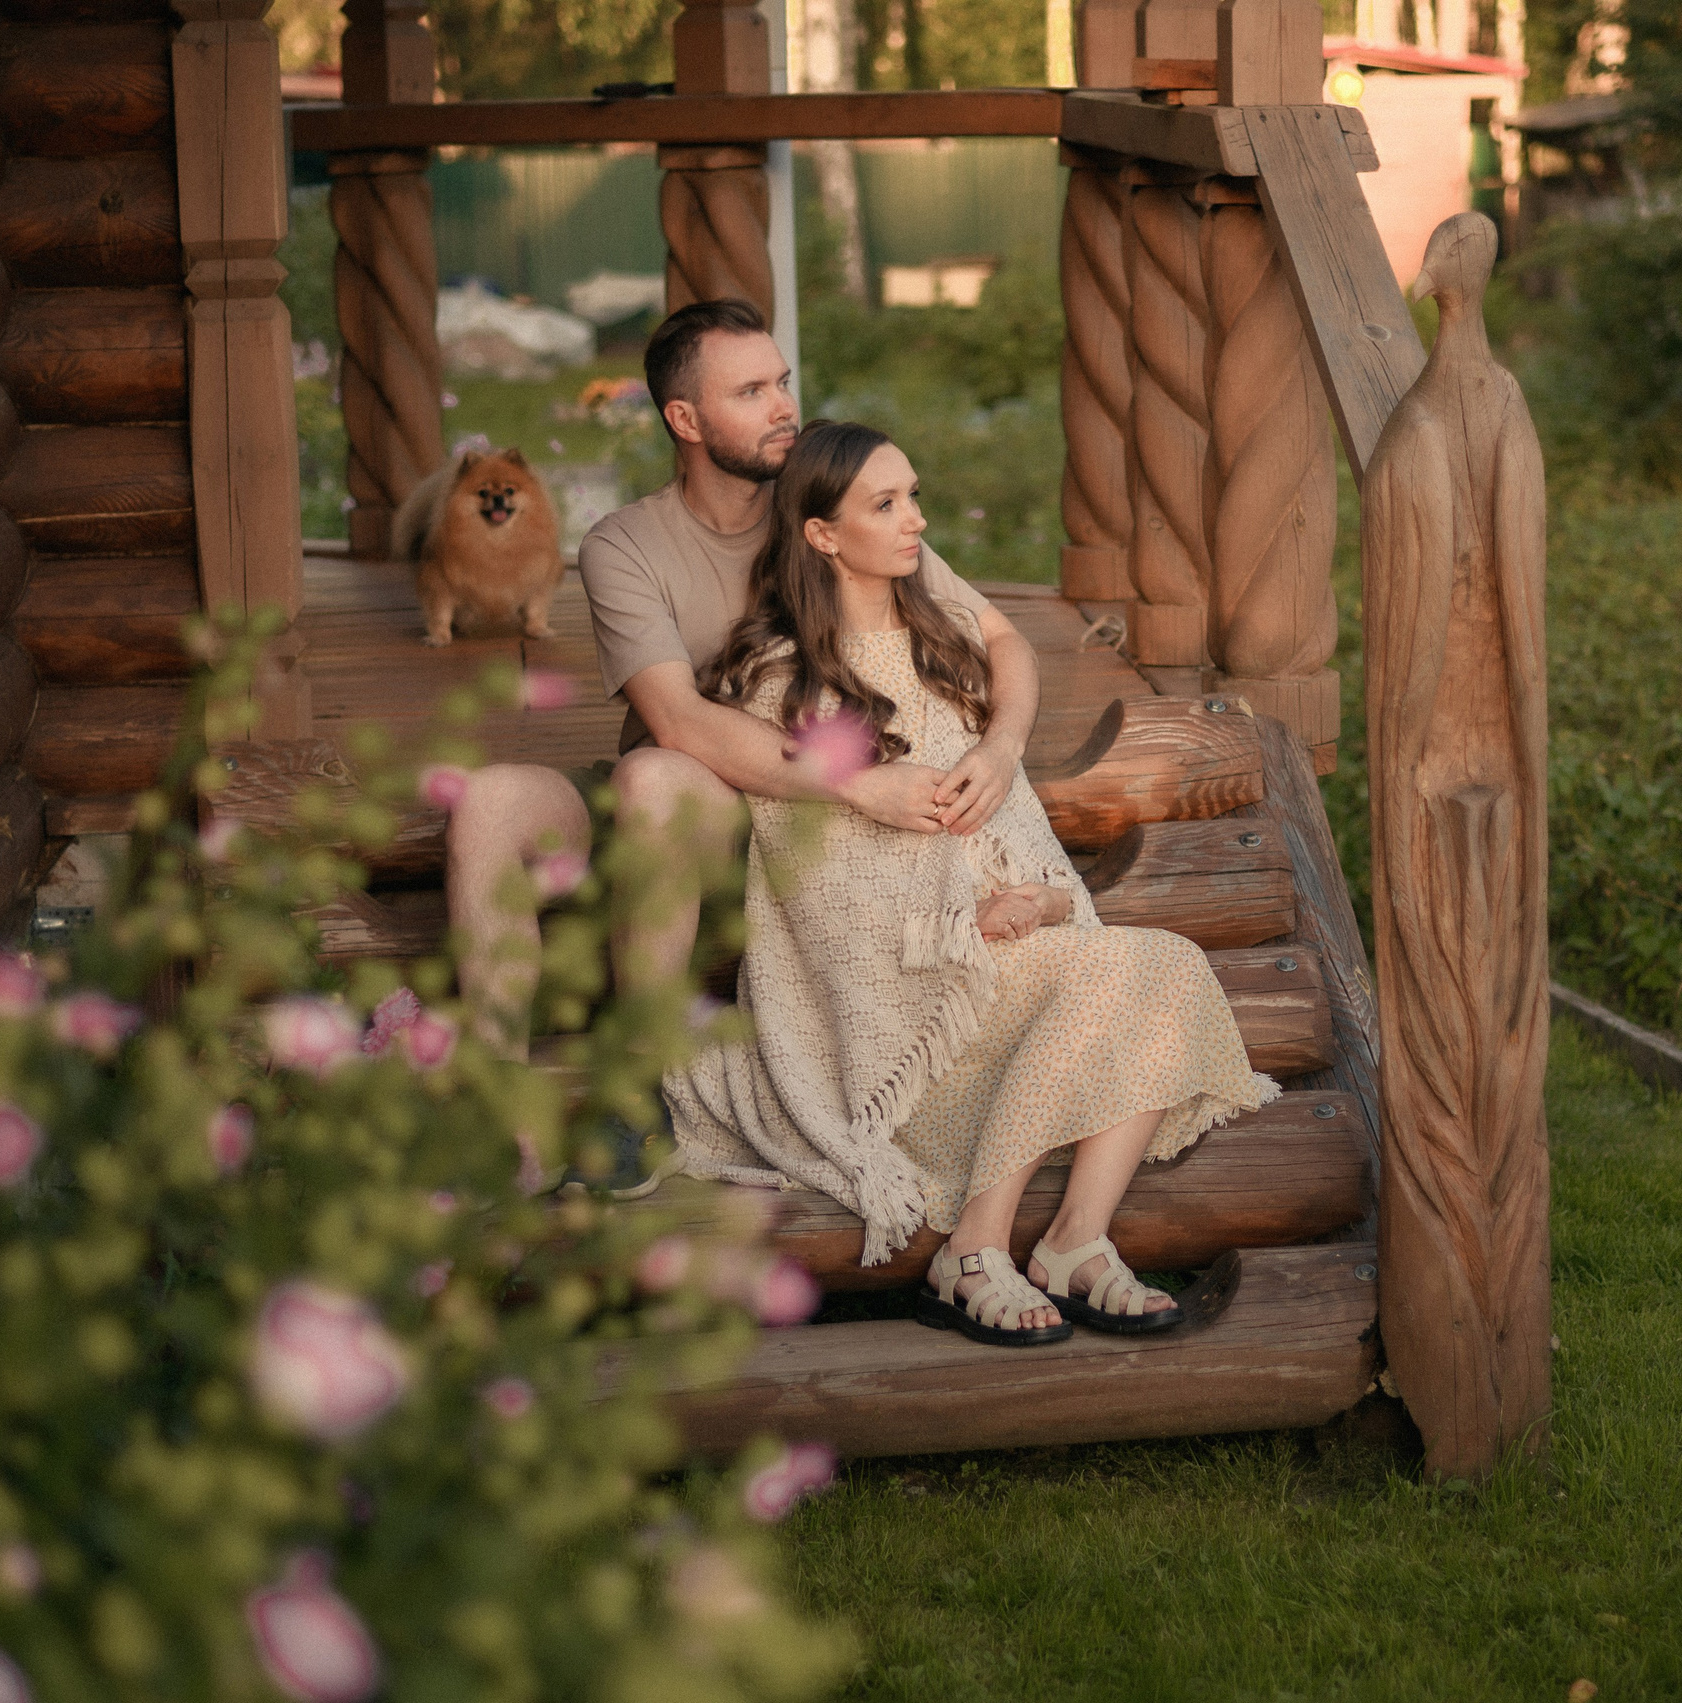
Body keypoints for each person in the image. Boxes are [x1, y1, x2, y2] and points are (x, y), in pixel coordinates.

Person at [663, 421, 1277, 1345]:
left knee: (1167, 962)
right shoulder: (782, 688)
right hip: (894, 1028)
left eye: (914, 495)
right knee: (1123, 973)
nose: (916, 520)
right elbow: (819, 909)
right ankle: (973, 1250)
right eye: (887, 504)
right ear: (823, 535)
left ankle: (1075, 1239)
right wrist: (956, 928)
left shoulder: (945, 663)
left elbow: (1038, 861)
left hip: (1001, 989)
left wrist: (1035, 901)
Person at [444, 299, 1043, 1053]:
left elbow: (1001, 637)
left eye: (782, 382)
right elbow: (679, 721)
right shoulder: (623, 544)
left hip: (778, 817)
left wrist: (1001, 746)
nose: (784, 407)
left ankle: (643, 1078)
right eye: (750, 393)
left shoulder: (831, 507)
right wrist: (858, 780)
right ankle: (493, 1103)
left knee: (654, 781)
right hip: (706, 791)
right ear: (686, 421)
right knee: (490, 800)